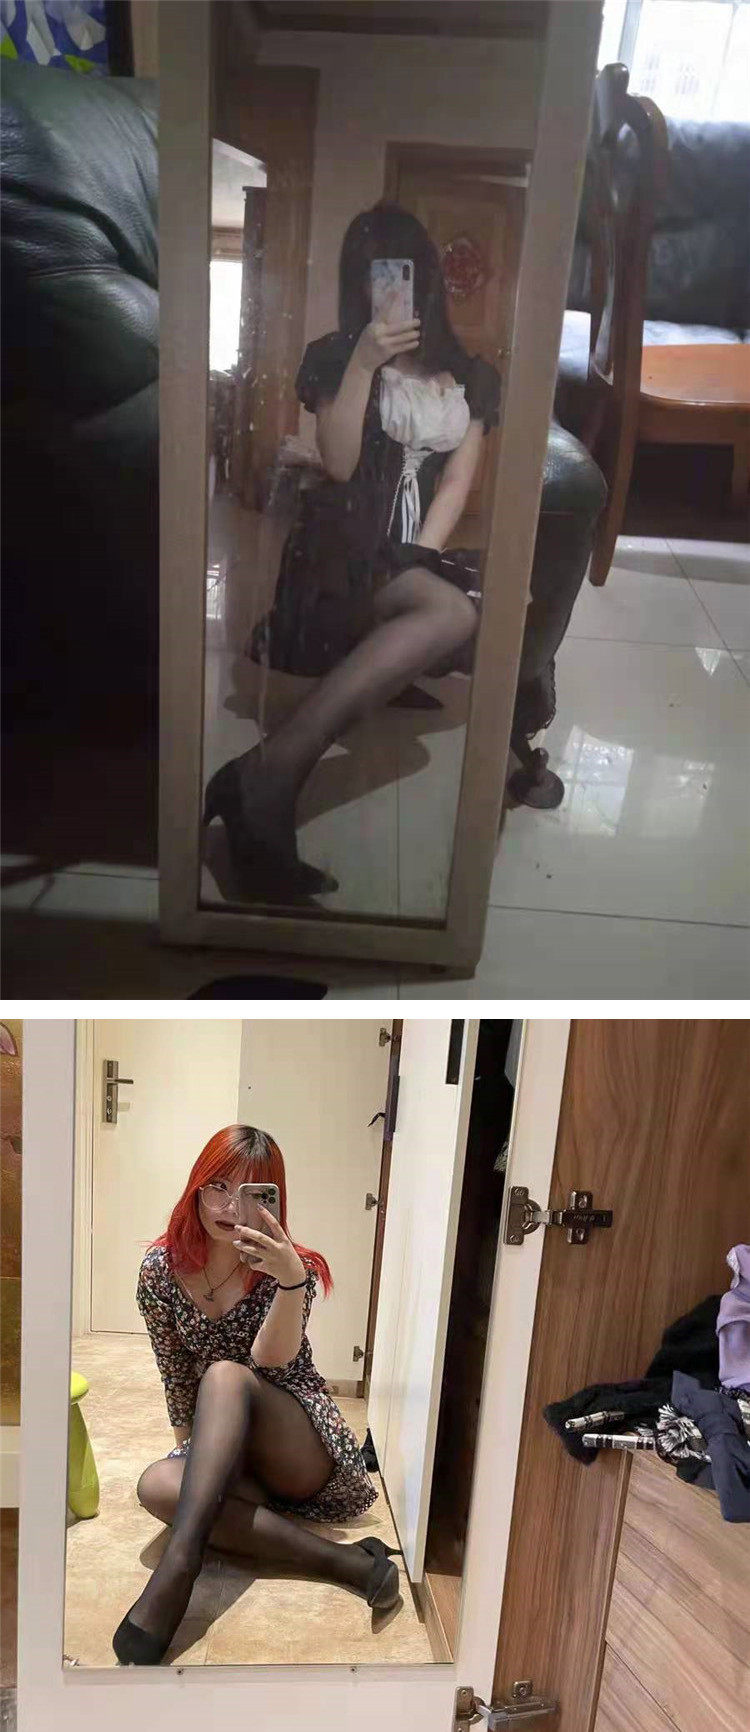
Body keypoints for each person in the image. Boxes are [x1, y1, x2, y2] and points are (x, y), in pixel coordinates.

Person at [204, 202, 501, 898]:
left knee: (484, 605)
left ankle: (274, 764)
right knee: (452, 615)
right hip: (337, 548)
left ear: (426, 279)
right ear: (357, 284)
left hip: (406, 550)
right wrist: (366, 360)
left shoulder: (473, 375)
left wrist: (419, 556)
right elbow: (338, 464)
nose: (389, 289)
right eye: (373, 275)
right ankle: (270, 773)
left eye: (400, 272)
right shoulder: (335, 355)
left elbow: (457, 480)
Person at [112, 1125, 397, 1667]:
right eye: (217, 1187)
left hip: (296, 1443)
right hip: (230, 1447)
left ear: (270, 1199)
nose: (228, 1207)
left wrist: (289, 1280)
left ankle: (180, 1565)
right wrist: (192, 1459)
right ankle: (350, 1564)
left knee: (226, 1374)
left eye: (248, 1192)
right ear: (196, 1188)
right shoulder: (159, 1271)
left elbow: (272, 1362)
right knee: (157, 1486)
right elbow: (175, 1374)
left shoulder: (291, 1265)